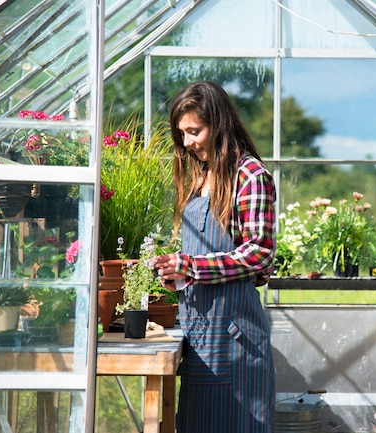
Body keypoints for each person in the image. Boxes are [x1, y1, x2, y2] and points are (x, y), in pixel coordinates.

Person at [153, 81, 276, 433]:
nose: (188, 142)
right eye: (183, 133)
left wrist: (191, 266)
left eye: (195, 131)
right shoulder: (201, 176)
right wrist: (175, 270)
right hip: (197, 335)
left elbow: (259, 254)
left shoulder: (249, 176)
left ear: (218, 124)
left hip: (235, 341)